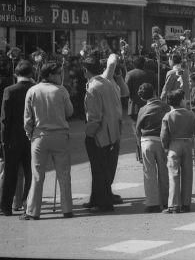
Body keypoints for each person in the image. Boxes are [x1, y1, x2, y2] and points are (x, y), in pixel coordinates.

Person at [18, 63, 73, 220]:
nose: (59, 76)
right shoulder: (61, 90)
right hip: (60, 136)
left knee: (37, 176)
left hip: (39, 136)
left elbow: (27, 119)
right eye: (57, 73)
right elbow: (70, 112)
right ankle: (67, 209)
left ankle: (33, 211)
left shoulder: (32, 90)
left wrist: (30, 134)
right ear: (49, 75)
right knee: (64, 175)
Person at [83, 55, 122, 213]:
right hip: (112, 131)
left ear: (86, 71)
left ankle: (103, 202)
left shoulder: (93, 87)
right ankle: (96, 199)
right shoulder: (108, 83)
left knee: (99, 170)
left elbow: (95, 117)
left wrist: (89, 134)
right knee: (102, 169)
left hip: (100, 133)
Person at [1, 60, 35, 216]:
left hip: (12, 138)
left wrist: (3, 138)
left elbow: (5, 119)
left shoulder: (9, 90)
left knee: (10, 173)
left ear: (16, 74)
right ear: (31, 74)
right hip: (32, 137)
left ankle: (6, 206)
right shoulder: (36, 89)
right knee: (30, 172)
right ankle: (28, 204)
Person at [135, 83, 170, 212]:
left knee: (149, 173)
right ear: (155, 91)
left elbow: (138, 130)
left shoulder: (143, 109)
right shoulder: (165, 107)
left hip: (146, 142)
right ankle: (166, 201)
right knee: (164, 172)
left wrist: (138, 149)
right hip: (161, 141)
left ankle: (152, 203)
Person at [160, 89, 195, 213]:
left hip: (174, 144)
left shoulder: (168, 116)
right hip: (187, 143)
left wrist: (165, 146)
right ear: (181, 101)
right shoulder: (191, 114)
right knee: (188, 174)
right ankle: (186, 203)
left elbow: (164, 135)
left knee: (173, 174)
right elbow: (193, 130)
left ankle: (174, 204)